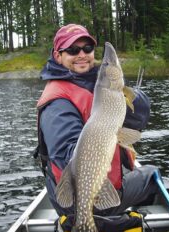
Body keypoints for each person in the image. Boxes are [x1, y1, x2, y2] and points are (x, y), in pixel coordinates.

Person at [36, 24, 158, 217]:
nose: (82, 54)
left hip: (93, 188)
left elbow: (139, 121)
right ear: (58, 56)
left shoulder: (99, 85)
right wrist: (101, 151)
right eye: (73, 50)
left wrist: (126, 96)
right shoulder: (57, 102)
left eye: (87, 48)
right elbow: (65, 156)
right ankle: (126, 216)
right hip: (82, 199)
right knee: (152, 176)